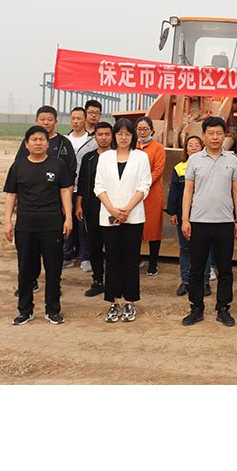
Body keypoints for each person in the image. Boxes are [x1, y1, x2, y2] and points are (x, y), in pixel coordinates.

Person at [4, 125, 73, 325]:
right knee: (25, 269)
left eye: (42, 139)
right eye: (33, 139)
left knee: (53, 269)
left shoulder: (58, 164)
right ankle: (25, 310)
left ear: (47, 143)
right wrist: (7, 221)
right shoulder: (18, 166)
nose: (38, 143)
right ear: (26, 144)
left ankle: (52, 310)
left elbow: (65, 191)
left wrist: (68, 217)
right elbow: (11, 194)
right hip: (25, 226)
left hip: (52, 225)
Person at [181, 117, 237, 328]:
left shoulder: (232, 160)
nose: (215, 137)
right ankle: (196, 308)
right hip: (199, 222)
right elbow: (188, 190)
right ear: (204, 135)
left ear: (224, 135)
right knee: (197, 269)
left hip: (225, 222)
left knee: (225, 269)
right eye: (211, 133)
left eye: (219, 133)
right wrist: (185, 219)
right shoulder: (195, 160)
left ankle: (223, 308)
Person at [11, 105, 77, 294]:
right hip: (30, 206)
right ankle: (29, 281)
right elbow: (18, 172)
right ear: (36, 121)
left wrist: (66, 205)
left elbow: (71, 174)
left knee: (52, 251)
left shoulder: (64, 143)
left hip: (54, 207)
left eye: (49, 119)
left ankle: (54, 286)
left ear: (56, 121)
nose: (46, 123)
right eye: (42, 119)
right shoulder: (29, 142)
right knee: (28, 250)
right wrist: (16, 200)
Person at [94, 117, 152, 323]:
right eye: (120, 134)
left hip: (133, 216)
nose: (124, 137)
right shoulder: (105, 158)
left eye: (128, 134)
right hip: (109, 215)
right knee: (112, 259)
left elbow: (144, 185)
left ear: (133, 136)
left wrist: (127, 209)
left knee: (130, 260)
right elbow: (99, 186)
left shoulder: (141, 157)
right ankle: (113, 301)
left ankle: (130, 301)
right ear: (114, 136)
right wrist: (113, 209)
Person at [165, 135, 214, 297]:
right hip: (183, 215)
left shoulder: (208, 166)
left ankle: (204, 281)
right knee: (185, 249)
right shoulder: (179, 168)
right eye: (190, 145)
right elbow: (174, 191)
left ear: (202, 147)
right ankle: (185, 280)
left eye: (196, 145)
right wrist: (173, 212)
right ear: (185, 149)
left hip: (203, 215)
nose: (193, 147)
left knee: (204, 249)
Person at [76, 121, 114, 297]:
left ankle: (113, 282)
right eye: (100, 134)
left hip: (113, 209)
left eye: (107, 134)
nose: (104, 138)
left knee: (113, 247)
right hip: (92, 208)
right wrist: (79, 205)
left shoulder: (118, 157)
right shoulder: (88, 158)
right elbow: (83, 182)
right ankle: (98, 280)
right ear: (95, 137)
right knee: (95, 246)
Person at [67, 106, 97, 273]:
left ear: (85, 120)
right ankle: (67, 256)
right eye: (73, 118)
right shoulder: (65, 140)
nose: (76, 121)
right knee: (67, 222)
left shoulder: (92, 141)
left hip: (84, 189)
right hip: (66, 189)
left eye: (79, 118)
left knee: (83, 225)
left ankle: (85, 257)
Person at [135, 116, 166, 276]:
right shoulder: (133, 147)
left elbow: (158, 169)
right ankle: (136, 259)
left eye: (145, 129)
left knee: (153, 228)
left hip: (152, 193)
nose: (142, 132)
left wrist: (145, 183)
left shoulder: (157, 148)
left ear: (152, 130)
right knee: (135, 228)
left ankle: (153, 263)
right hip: (134, 193)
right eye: (139, 129)